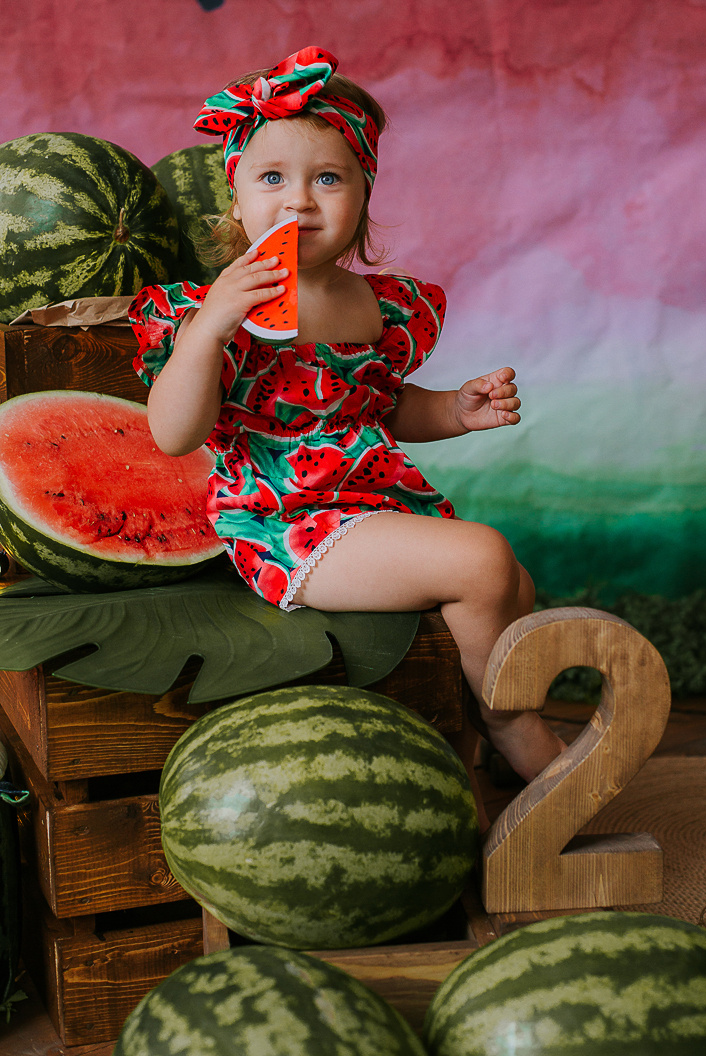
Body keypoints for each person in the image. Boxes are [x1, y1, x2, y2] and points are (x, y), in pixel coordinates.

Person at [130, 46, 564, 783]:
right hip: (289, 520)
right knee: (485, 560)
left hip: (374, 500)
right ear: (235, 200)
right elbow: (176, 433)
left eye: (327, 179)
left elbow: (380, 407)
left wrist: (454, 411)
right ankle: (508, 719)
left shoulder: (375, 304)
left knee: (514, 581)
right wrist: (209, 327)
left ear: (363, 194)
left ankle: (469, 728)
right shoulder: (224, 313)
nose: (298, 202)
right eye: (271, 179)